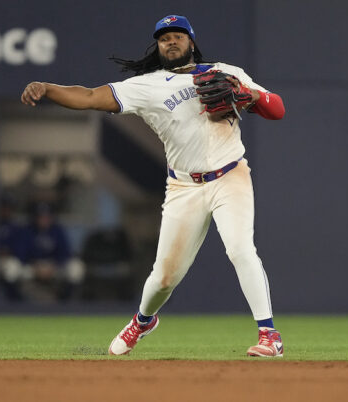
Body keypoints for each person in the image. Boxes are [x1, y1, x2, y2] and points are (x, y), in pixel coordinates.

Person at [21, 14, 286, 357]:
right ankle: (143, 321)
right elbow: (88, 96)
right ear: (158, 46)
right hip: (184, 188)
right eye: (164, 38)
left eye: (177, 35)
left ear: (191, 41)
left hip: (230, 175)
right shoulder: (146, 86)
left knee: (240, 249)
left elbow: (276, 109)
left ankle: (269, 335)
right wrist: (47, 89)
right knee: (163, 277)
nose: (170, 41)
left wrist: (247, 94)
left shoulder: (225, 72)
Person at [20, 202, 85, 301]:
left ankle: (67, 302)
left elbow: (65, 253)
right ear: (35, 217)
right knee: (13, 269)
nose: (44, 219)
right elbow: (21, 253)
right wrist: (35, 266)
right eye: (40, 217)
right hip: (33, 266)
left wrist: (54, 266)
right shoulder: (27, 231)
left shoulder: (57, 230)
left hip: (54, 266)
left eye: (46, 216)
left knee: (76, 268)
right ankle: (16, 304)